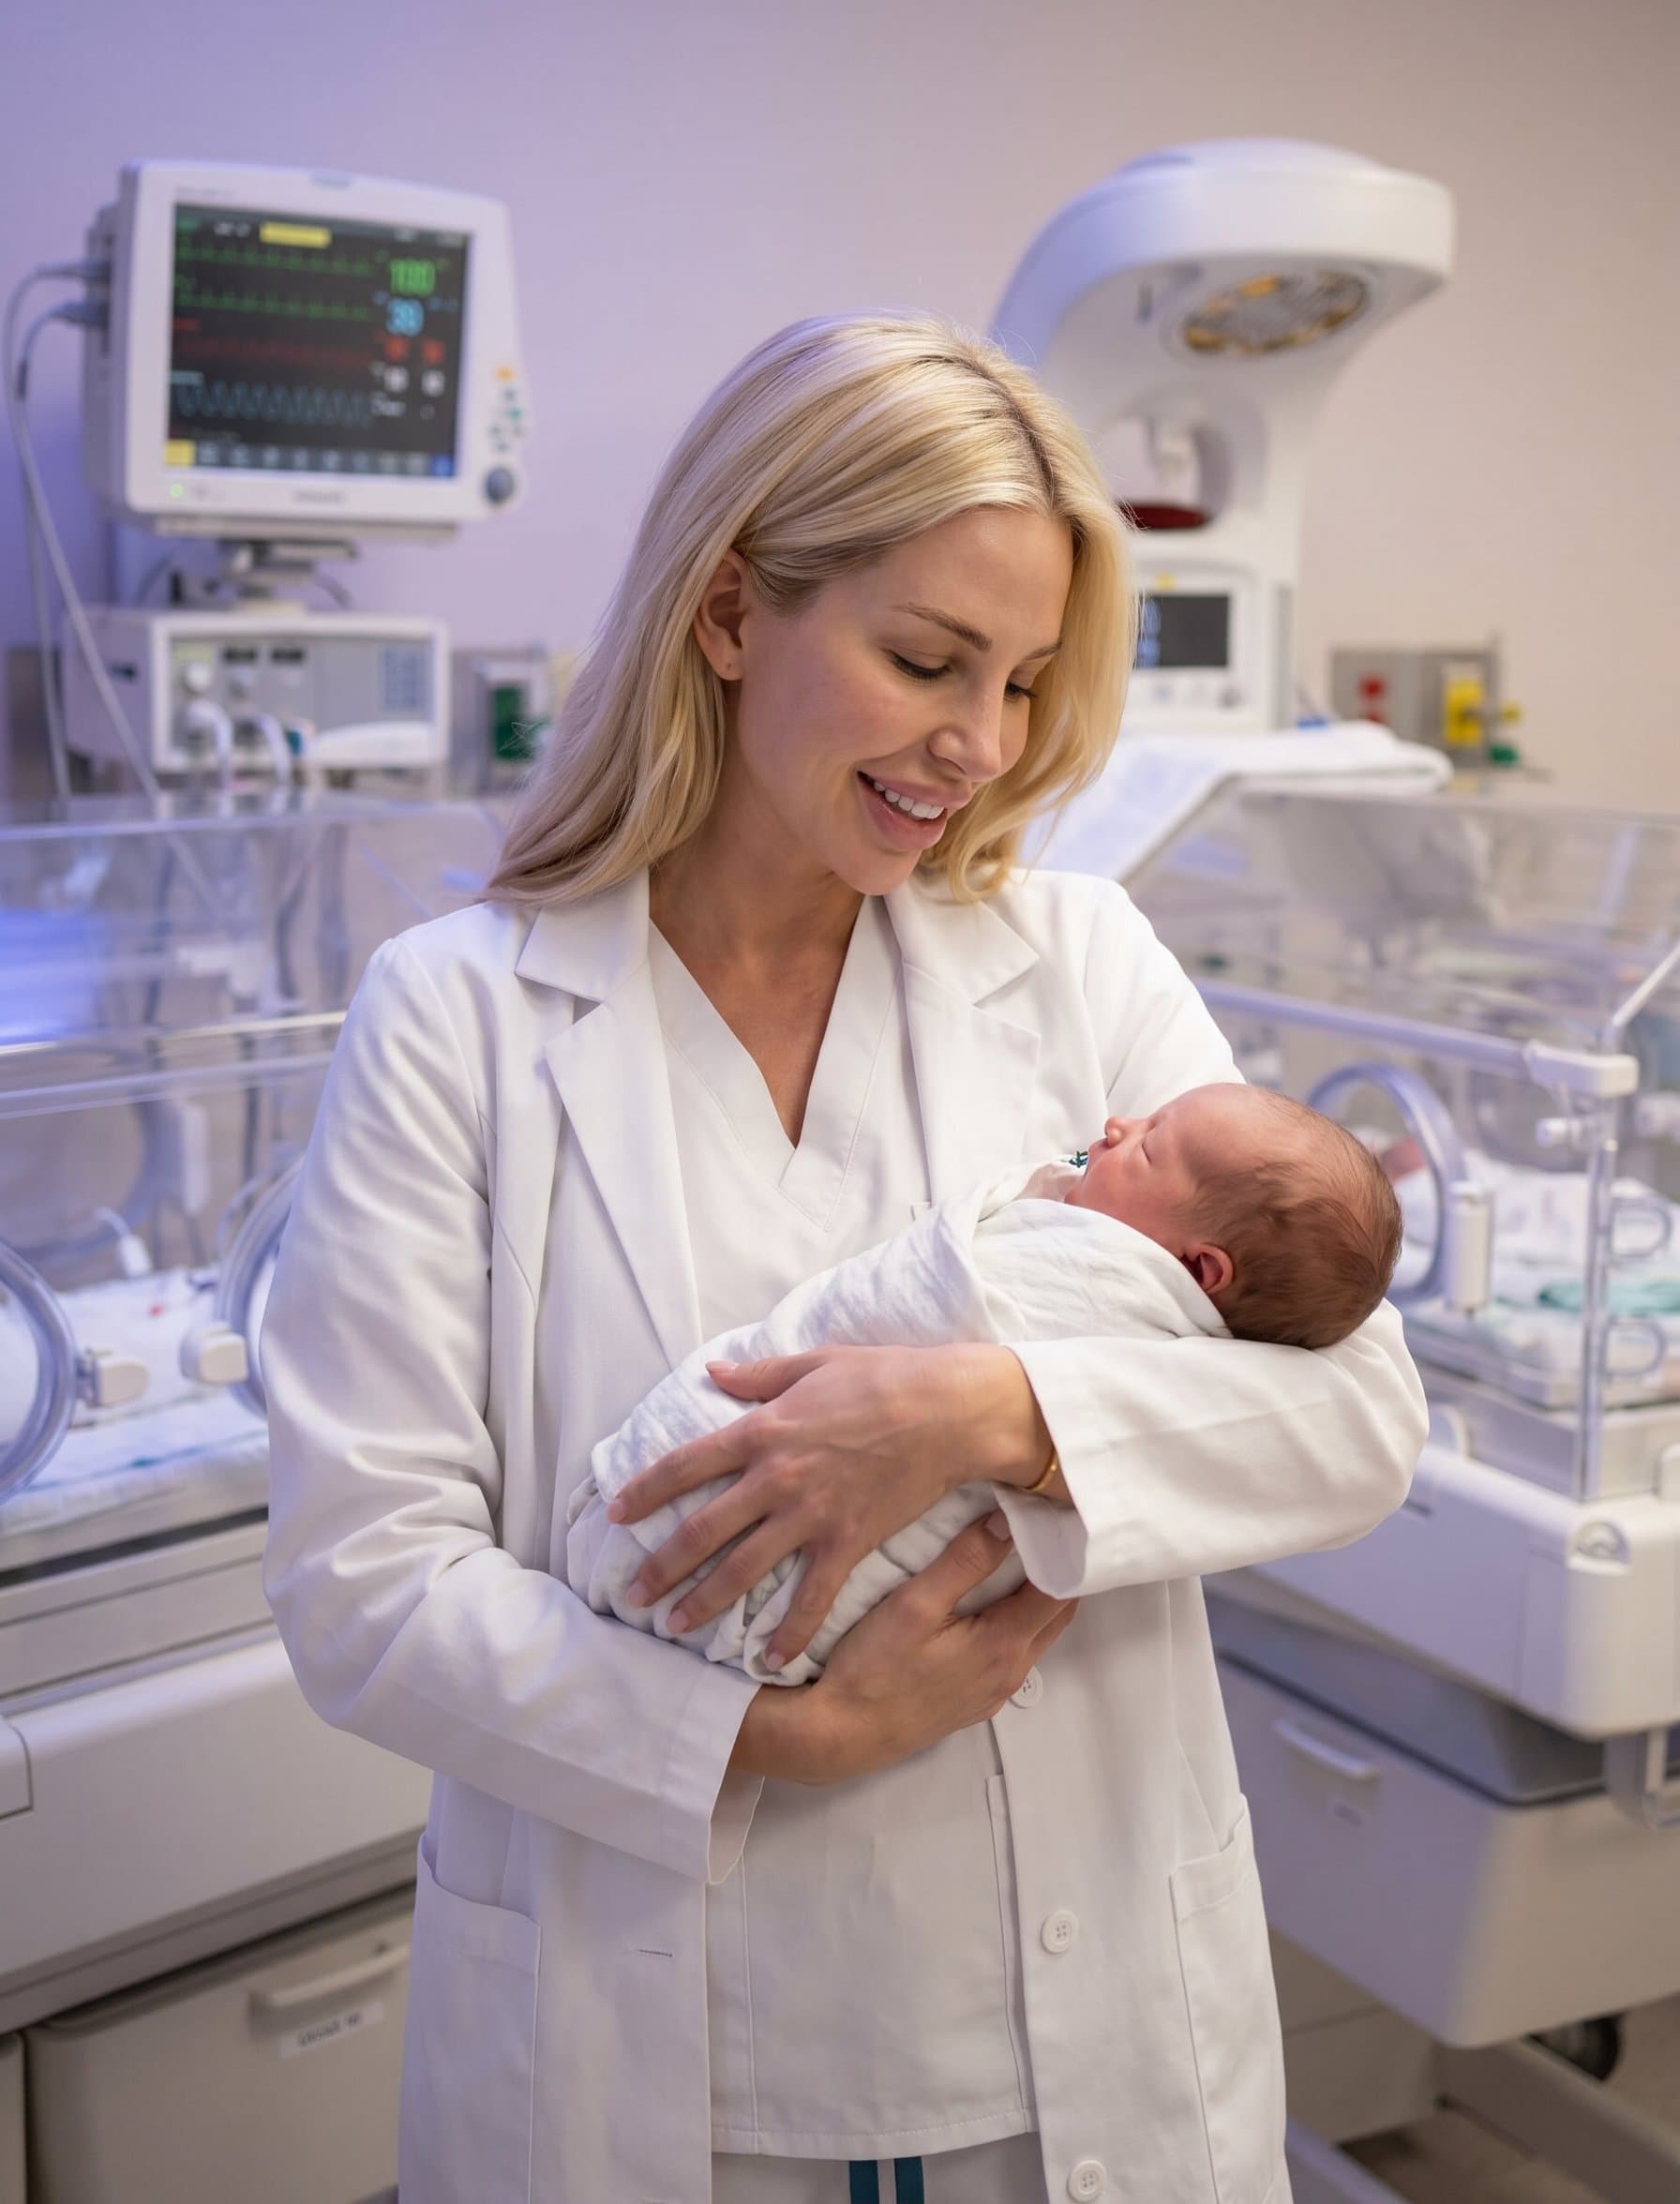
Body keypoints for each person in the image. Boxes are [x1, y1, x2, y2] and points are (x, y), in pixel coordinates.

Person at [261, 312, 1428, 2204]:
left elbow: (1355, 1418)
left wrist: (989, 1412)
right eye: (922, 661)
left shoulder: (1076, 964)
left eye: (1026, 682)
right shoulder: (457, 1018)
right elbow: (361, 1583)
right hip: (669, 2070)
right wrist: (772, 1736)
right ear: (728, 613)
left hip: (1070, 2049)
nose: (981, 748)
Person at [566, 1084, 1404, 1686]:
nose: (1115, 1124)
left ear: (1198, 1270)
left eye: (1145, 1142)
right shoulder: (1165, 1171)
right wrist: (793, 1744)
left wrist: (991, 1408)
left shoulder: (1145, 1245)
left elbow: (1365, 1412)